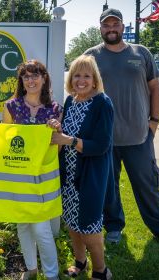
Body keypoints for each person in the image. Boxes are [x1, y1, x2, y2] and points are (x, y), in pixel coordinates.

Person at [84, 8, 159, 250]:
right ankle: (114, 227)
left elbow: (155, 89)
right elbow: (81, 90)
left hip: (139, 136)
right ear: (101, 28)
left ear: (122, 26)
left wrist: (154, 121)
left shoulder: (141, 53)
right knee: (109, 187)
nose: (111, 29)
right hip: (104, 139)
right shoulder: (91, 56)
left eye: (115, 24)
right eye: (107, 25)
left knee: (147, 185)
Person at [48, 55, 114, 280]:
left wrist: (70, 141)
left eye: (87, 76)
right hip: (68, 174)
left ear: (95, 79)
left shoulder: (102, 103)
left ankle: (101, 270)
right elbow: (64, 132)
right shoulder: (71, 101)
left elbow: (102, 145)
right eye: (77, 75)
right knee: (72, 222)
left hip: (91, 176)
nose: (81, 80)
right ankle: (80, 262)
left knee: (90, 227)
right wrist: (57, 128)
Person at [2, 60, 62, 280]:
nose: (31, 80)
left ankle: (52, 275)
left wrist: (57, 129)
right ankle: (31, 269)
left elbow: (57, 146)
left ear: (44, 78)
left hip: (44, 177)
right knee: (23, 226)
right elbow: (6, 142)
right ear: (21, 80)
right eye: (26, 76)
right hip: (19, 175)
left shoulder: (55, 109)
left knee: (41, 229)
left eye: (35, 75)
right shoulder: (11, 106)